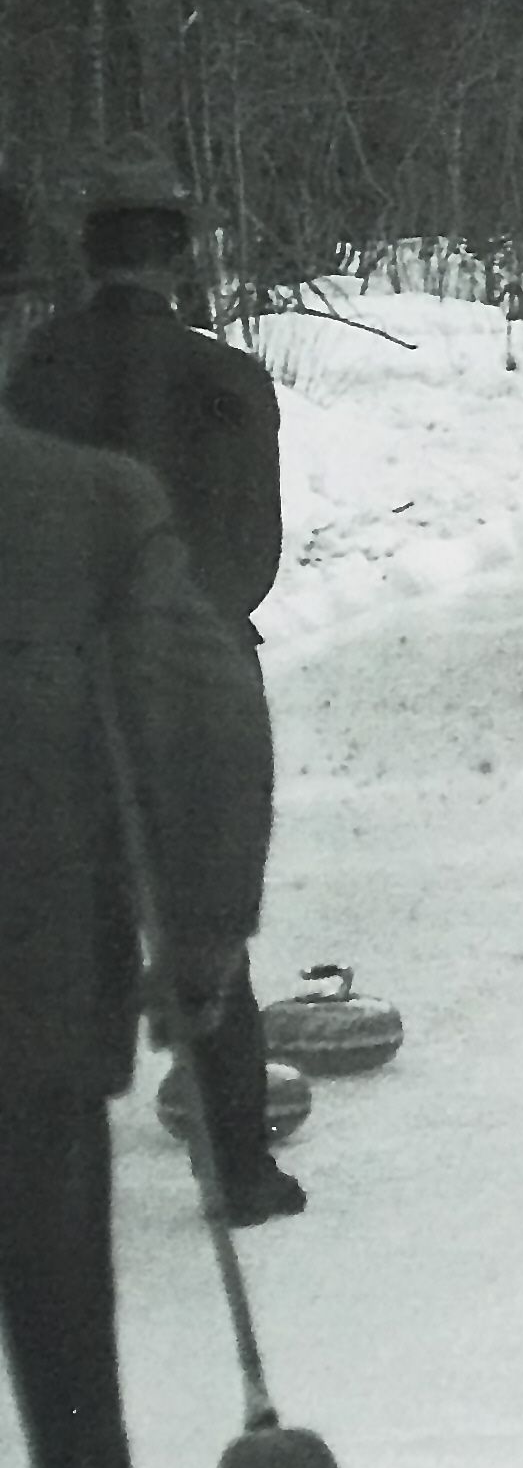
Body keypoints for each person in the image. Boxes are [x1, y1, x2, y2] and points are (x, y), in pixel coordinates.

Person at [0, 403, 274, 1468]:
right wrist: (203, 938)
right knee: (52, 1255)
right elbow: (203, 715)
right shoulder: (89, 501)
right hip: (32, 961)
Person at [6, 143, 301, 1226]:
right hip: (191, 679)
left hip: (53, 685)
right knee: (202, 927)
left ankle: (52, 1168)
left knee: (60, 921)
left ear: (89, 256)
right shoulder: (228, 378)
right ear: (179, 256)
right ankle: (241, 1172)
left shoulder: (35, 373)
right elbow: (253, 552)